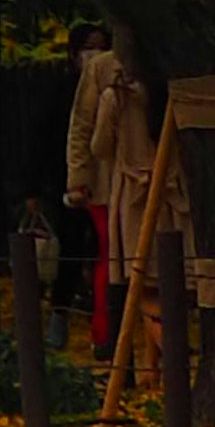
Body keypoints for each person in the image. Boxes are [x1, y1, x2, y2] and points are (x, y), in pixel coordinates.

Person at [65, 21, 157, 344]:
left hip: (157, 175)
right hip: (107, 182)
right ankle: (109, 335)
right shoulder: (102, 70)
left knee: (155, 259)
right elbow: (82, 125)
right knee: (113, 255)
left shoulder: (163, 58)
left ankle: (152, 344)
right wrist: (78, 179)